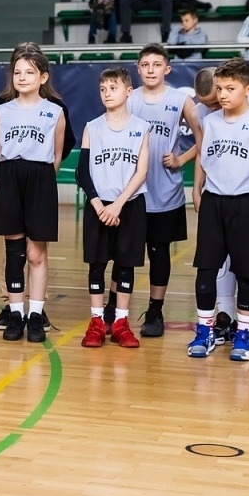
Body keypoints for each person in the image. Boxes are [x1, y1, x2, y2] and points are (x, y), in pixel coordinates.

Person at [188, 58, 249, 362]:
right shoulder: (211, 121)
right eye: (219, 88)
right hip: (215, 202)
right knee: (207, 268)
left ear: (248, 89)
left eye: (230, 88)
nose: (223, 94)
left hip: (248, 203)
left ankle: (244, 333)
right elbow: (205, 159)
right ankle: (205, 330)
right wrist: (197, 187)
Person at [0, 44, 67, 343]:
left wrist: (41, 178)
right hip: (11, 177)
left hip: (40, 178)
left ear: (43, 76)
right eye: (18, 72)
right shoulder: (1, 111)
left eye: (30, 72)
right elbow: (0, 154)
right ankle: (15, 313)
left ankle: (36, 314)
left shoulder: (55, 112)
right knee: (14, 253)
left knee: (37, 253)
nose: (22, 77)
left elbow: (57, 155)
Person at [127, 45, 201, 337]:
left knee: (158, 253)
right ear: (138, 68)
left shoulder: (181, 99)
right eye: (145, 65)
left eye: (156, 65)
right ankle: (116, 310)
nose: (150, 70)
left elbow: (204, 136)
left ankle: (155, 310)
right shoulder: (130, 98)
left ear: (167, 69)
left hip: (165, 190)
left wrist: (182, 159)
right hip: (133, 190)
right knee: (127, 253)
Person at [77, 68, 150, 349]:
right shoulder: (92, 127)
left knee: (125, 266)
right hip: (98, 207)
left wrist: (118, 205)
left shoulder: (141, 127)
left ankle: (120, 322)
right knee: (96, 266)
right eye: (103, 89)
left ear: (128, 91)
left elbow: (141, 172)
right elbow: (82, 173)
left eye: (113, 88)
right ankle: (96, 322)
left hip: (128, 206)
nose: (107, 93)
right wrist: (100, 206)